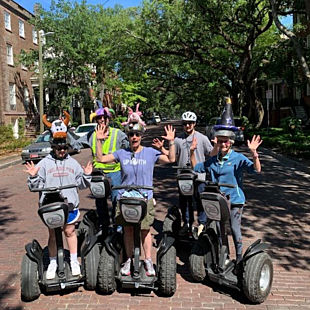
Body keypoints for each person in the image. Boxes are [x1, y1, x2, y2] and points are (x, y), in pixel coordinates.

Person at [95, 120, 176, 276]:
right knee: (128, 230)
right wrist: (99, 140)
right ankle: (129, 259)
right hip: (126, 198)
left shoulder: (150, 152)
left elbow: (171, 159)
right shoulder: (121, 153)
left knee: (145, 230)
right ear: (128, 136)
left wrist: (170, 142)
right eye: (131, 134)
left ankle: (147, 260)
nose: (134, 137)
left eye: (137, 134)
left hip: (145, 198)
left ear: (141, 136)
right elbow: (101, 159)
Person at [190, 101, 262, 264]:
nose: (223, 144)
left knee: (234, 229)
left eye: (226, 141)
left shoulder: (237, 158)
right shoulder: (213, 160)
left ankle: (239, 259)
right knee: (218, 228)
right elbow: (197, 168)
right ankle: (223, 256)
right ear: (217, 141)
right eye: (220, 141)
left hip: (234, 201)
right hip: (217, 200)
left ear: (231, 142)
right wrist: (192, 152)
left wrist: (254, 154)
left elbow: (256, 170)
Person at [25, 113, 92, 280]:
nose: (61, 151)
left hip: (69, 205)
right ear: (53, 147)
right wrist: (33, 176)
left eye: (64, 148)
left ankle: (74, 260)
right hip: (51, 206)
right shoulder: (45, 163)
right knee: (53, 234)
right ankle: (53, 261)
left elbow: (82, 184)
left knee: (70, 231)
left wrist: (87, 175)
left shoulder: (73, 162)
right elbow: (34, 186)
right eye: (58, 148)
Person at [153, 111, 216, 236]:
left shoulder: (202, 138)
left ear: (194, 124)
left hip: (199, 175)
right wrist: (161, 148)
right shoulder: (177, 139)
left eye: (190, 123)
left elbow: (211, 153)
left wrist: (217, 145)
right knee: (185, 201)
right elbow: (173, 157)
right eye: (185, 123)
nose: (188, 126)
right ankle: (187, 224)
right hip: (183, 176)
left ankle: (202, 224)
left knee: (200, 200)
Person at [68, 107, 129, 232]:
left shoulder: (118, 133)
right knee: (100, 203)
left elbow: (129, 148)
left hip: (114, 173)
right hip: (98, 175)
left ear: (108, 119)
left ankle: (119, 229)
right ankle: (104, 227)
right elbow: (75, 145)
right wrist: (66, 131)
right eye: (99, 118)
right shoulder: (92, 135)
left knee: (117, 201)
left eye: (104, 118)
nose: (102, 120)